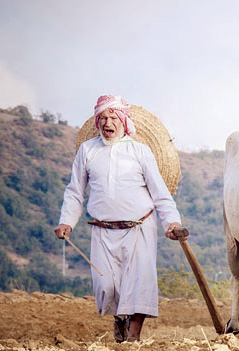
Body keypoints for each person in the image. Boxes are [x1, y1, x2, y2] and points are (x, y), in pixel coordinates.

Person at [54, 95, 188, 343]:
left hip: (139, 228)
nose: (108, 122)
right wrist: (66, 222)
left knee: (139, 285)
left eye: (113, 117)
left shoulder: (140, 151)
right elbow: (75, 191)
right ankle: (119, 318)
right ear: (97, 122)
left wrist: (172, 223)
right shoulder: (88, 151)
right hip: (103, 231)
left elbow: (160, 192)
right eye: (103, 117)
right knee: (107, 288)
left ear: (123, 121)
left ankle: (132, 340)